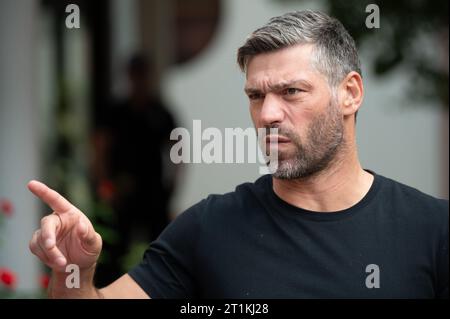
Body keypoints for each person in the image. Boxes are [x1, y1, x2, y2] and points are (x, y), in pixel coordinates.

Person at [28, 10, 448, 299]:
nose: (267, 114)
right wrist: (75, 272)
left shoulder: (432, 230)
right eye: (256, 95)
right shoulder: (209, 228)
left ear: (350, 94)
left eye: (291, 92)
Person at [91, 54, 178, 285]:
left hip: (154, 191)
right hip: (122, 190)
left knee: (161, 247)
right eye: (135, 74)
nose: (139, 80)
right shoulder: (116, 112)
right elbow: (100, 148)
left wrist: (172, 188)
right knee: (114, 251)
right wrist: (105, 186)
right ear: (129, 76)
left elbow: (178, 151)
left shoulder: (160, 112)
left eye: (143, 75)